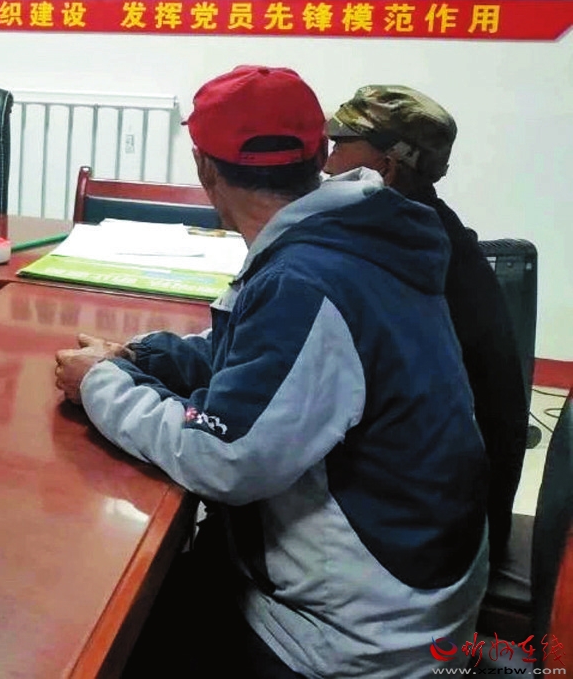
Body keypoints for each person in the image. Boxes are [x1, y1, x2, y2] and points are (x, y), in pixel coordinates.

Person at [54, 66, 488, 678]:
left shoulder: (307, 278)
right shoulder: (356, 236)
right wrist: (143, 356)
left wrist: (101, 383)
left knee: (100, 630)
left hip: (354, 639)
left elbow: (224, 458)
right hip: (410, 588)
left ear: (205, 168)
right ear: (318, 153)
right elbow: (261, 354)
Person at [326, 84, 527, 576]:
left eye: (340, 146)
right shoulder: (430, 231)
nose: (328, 165)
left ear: (385, 167)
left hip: (432, 544)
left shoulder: (404, 259)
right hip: (447, 512)